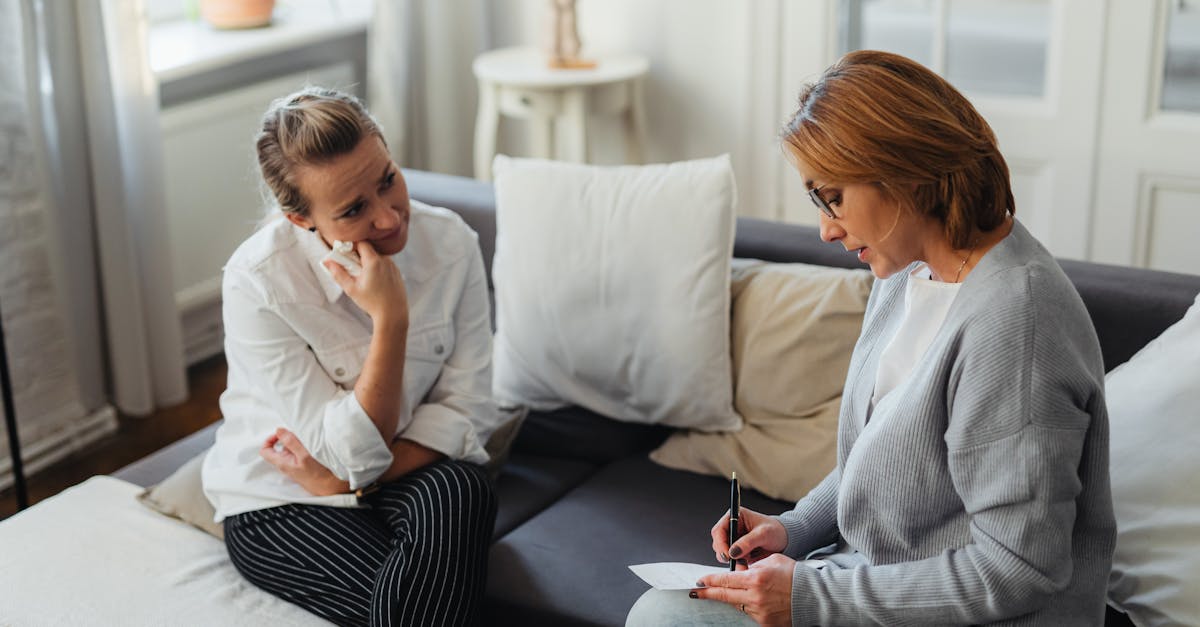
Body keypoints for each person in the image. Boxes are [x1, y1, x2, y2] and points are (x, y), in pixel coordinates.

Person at [627, 50, 1115, 626]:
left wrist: (810, 597)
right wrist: (793, 528)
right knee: (668, 609)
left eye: (833, 196)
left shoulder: (1017, 324)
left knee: (667, 617)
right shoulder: (909, 270)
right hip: (880, 583)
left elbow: (1018, 569)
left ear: (903, 170)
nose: (826, 229)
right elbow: (883, 457)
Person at [201, 87, 498, 627]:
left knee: (463, 487)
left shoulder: (452, 243)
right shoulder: (259, 283)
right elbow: (346, 455)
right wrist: (391, 321)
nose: (388, 219)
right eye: (354, 209)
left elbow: (472, 408)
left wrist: (351, 486)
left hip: (401, 472)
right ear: (300, 220)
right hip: (280, 499)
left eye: (388, 180)